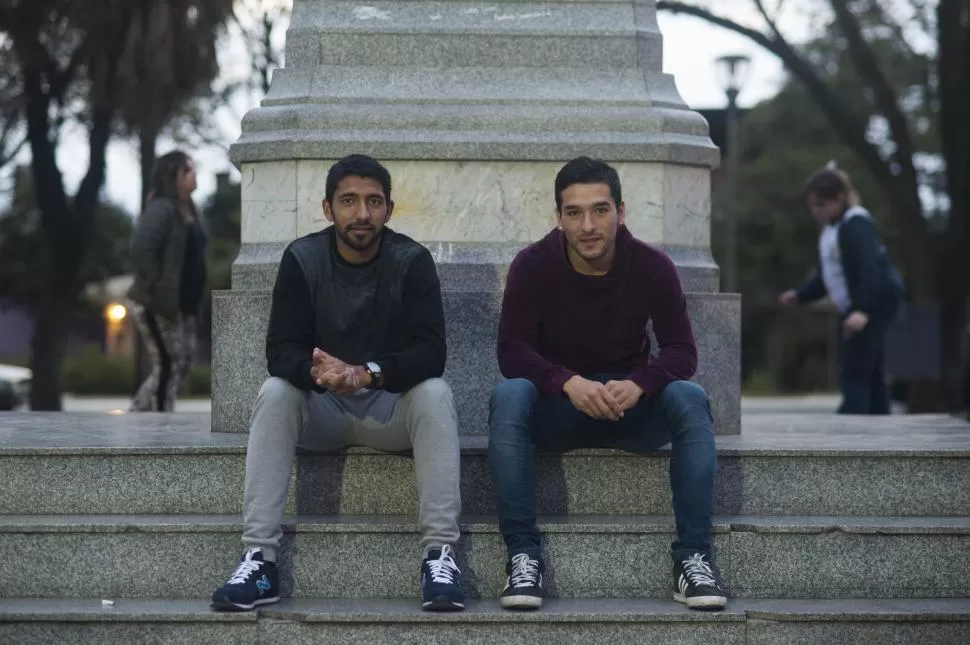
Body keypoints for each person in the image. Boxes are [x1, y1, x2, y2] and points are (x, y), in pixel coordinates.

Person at [210, 155, 464, 612]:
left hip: (389, 411)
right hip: (322, 412)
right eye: (349, 201)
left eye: (373, 202)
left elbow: (431, 353)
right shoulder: (302, 258)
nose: (361, 213)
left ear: (389, 209)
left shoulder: (412, 260)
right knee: (275, 392)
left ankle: (439, 554)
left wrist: (365, 374)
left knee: (435, 393)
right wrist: (318, 374)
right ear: (328, 209)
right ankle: (259, 560)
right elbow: (280, 351)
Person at [488, 156, 728, 612]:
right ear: (558, 217)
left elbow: (682, 351)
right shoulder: (532, 265)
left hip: (628, 410)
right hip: (559, 411)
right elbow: (512, 352)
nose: (588, 225)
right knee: (510, 395)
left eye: (600, 210)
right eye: (574, 212)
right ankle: (522, 555)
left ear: (622, 211)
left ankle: (694, 557)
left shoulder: (653, 266)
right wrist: (566, 382)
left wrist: (640, 383)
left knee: (689, 397)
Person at [779, 165, 903, 415]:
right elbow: (828, 276)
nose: (816, 211)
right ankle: (878, 420)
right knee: (871, 366)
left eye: (822, 204)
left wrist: (862, 310)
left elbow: (869, 269)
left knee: (855, 366)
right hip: (864, 303)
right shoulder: (832, 230)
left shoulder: (856, 225)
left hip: (875, 302)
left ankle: (853, 421)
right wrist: (801, 295)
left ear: (840, 198)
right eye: (813, 205)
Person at [127, 150, 206, 412]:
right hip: (156, 303)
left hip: (181, 306)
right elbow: (141, 248)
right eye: (189, 171)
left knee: (182, 362)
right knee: (168, 362)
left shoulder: (190, 210)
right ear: (175, 176)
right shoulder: (162, 208)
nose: (195, 176)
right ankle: (159, 417)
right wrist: (156, 286)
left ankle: (140, 409)